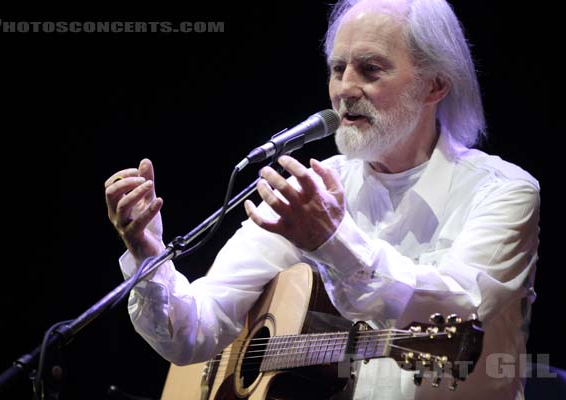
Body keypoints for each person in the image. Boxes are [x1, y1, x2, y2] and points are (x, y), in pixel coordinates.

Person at [104, 0, 540, 399]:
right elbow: (193, 333)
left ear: (435, 85)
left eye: (370, 70)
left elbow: (459, 309)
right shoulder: (314, 189)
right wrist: (147, 255)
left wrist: (333, 239)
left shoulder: (504, 191)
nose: (345, 89)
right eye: (337, 68)